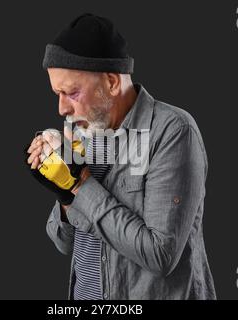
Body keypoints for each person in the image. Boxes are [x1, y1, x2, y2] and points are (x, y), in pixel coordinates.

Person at [25, 13, 216, 300]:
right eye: (57, 93)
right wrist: (64, 196)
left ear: (112, 82)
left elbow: (160, 255)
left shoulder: (172, 131)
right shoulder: (84, 130)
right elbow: (66, 244)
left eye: (72, 93)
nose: (61, 109)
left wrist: (79, 186)